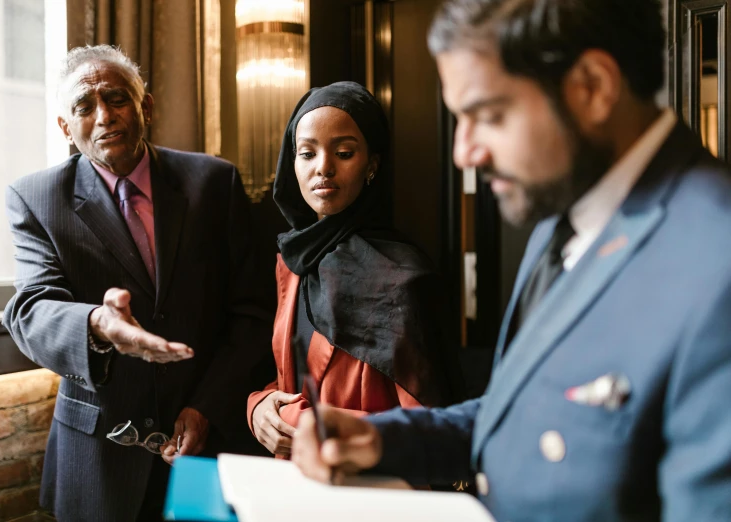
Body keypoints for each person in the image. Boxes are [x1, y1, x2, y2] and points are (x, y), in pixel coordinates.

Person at [291, 1, 731, 520]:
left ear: (592, 87)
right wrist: (383, 438)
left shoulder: (715, 267)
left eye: (487, 115)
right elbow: (522, 414)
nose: (464, 152)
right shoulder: (562, 215)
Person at [2, 45, 275, 522]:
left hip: (211, 443)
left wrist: (206, 408)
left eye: (117, 98)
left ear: (145, 106)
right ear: (65, 128)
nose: (104, 116)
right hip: (100, 457)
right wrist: (97, 324)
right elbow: (30, 308)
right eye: (84, 107)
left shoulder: (214, 182)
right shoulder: (36, 198)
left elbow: (251, 312)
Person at [247, 82, 463, 458]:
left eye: (344, 152)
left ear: (372, 165)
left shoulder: (405, 277)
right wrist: (260, 407)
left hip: (371, 491)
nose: (323, 168)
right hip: (292, 485)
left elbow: (434, 424)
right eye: (306, 153)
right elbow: (293, 379)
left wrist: (302, 422)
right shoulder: (293, 261)